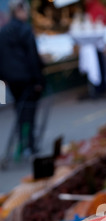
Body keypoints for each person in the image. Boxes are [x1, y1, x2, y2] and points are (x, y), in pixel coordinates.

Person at [0, 0, 45, 158]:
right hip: (26, 79)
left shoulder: (3, 31)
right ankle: (29, 144)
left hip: (12, 80)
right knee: (29, 111)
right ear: (18, 11)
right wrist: (38, 80)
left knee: (20, 110)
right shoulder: (25, 31)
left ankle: (23, 142)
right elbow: (33, 57)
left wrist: (3, 78)